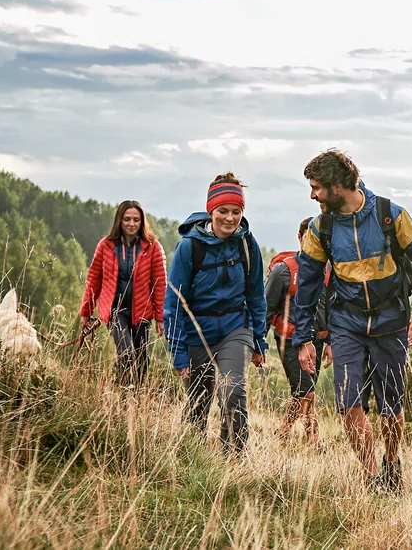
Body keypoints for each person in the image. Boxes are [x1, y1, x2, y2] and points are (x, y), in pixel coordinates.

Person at [290, 148, 412, 494]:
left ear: (338, 186)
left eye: (317, 187)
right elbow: (308, 288)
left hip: (391, 322)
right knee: (348, 403)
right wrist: (304, 339)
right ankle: (372, 478)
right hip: (346, 323)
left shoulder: (391, 215)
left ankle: (391, 462)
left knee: (391, 407)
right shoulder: (320, 229)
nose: (312, 195)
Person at [163, 173, 268, 456]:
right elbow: (173, 303)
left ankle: (234, 462)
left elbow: (256, 296)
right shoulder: (190, 247)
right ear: (211, 211)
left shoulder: (247, 244)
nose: (230, 218)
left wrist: (259, 341)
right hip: (197, 333)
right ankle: (192, 460)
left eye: (236, 212)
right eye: (223, 211)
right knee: (198, 402)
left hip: (236, 328)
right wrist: (178, 352)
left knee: (233, 392)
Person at [78, 200, 167, 389]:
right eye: (127, 219)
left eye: (136, 219)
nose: (131, 224)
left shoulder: (152, 247)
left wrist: (161, 318)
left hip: (142, 311)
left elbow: (160, 285)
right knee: (127, 354)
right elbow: (94, 279)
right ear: (119, 220)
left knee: (142, 361)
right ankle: (125, 401)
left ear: (142, 221)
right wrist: (86, 311)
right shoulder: (106, 246)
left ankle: (134, 397)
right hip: (115, 310)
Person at [263, 217, 335, 451]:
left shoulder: (329, 271)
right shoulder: (283, 272)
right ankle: (314, 441)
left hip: (319, 339)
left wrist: (331, 341)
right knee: (308, 391)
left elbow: (333, 308)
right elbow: (267, 309)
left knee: (302, 390)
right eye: (309, 238)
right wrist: (258, 345)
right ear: (299, 238)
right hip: (290, 339)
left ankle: (284, 430)